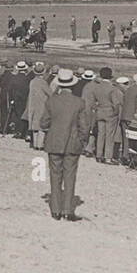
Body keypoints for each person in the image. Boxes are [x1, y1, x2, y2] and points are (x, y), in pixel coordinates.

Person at [40, 68, 89, 220]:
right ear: (72, 85)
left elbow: (43, 123)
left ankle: (55, 210)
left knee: (55, 176)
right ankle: (67, 210)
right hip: (72, 144)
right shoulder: (79, 102)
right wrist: (81, 141)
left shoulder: (51, 101)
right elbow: (84, 127)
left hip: (54, 142)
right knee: (69, 177)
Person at [24, 62, 50, 150]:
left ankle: (35, 144)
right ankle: (40, 145)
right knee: (41, 127)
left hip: (32, 104)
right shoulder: (43, 82)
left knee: (34, 126)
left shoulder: (32, 81)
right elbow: (50, 93)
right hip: (41, 105)